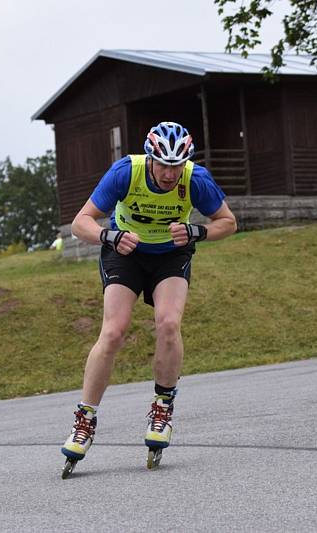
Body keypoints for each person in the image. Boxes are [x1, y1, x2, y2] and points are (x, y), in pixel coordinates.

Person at [60, 121, 237, 467]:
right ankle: (85, 421)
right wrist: (108, 237)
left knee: (168, 323)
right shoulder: (126, 172)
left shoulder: (195, 179)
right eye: (163, 165)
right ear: (150, 157)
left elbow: (228, 222)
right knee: (113, 331)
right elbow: (81, 221)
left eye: (176, 166)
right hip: (124, 252)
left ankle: (162, 409)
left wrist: (196, 231)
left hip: (171, 254)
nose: (170, 174)